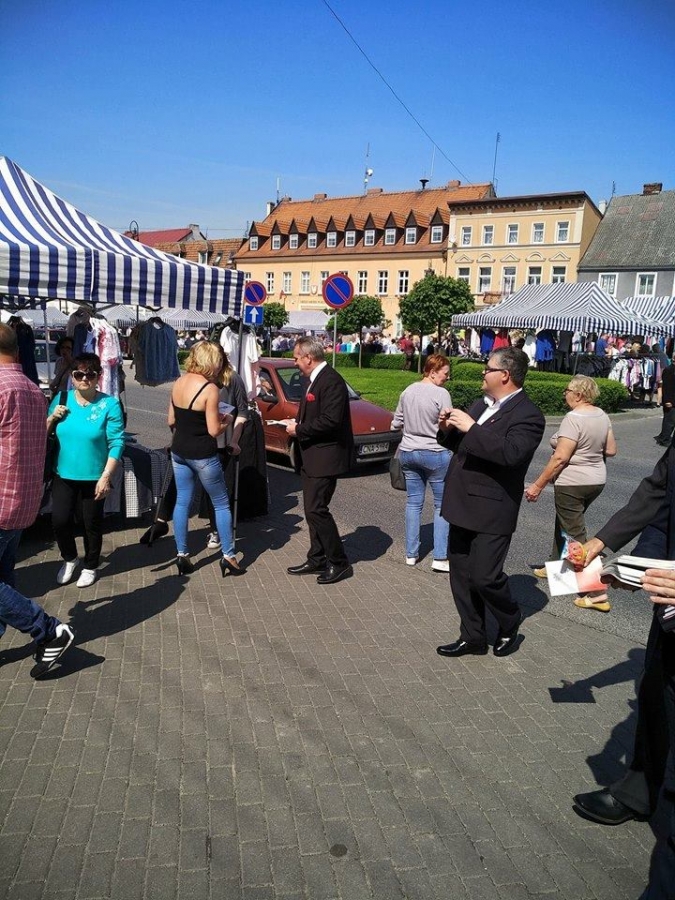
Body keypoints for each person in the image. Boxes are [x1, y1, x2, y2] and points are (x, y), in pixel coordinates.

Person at [570, 450, 675, 898]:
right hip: (669, 611)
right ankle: (639, 792)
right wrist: (632, 564)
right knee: (656, 700)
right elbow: (659, 497)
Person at [435, 347, 545, 658]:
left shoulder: (528, 415)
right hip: (461, 502)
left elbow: (510, 454)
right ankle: (472, 635)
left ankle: (509, 620)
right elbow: (462, 445)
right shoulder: (480, 404)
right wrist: (447, 429)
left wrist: (471, 427)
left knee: (485, 576)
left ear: (505, 375)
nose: (483, 373)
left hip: (493, 509)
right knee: (460, 576)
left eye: (488, 369)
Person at [0, 324, 75, 678]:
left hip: (3, 500)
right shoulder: (32, 389)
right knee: (3, 575)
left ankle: (49, 630)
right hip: (22, 499)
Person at [525, 374, 617, 612]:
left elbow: (560, 458)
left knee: (576, 536)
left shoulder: (573, 418)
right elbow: (610, 449)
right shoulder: (602, 414)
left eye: (567, 390)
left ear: (578, 394)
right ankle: (557, 567)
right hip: (597, 480)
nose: (564, 394)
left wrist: (537, 485)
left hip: (572, 483)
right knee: (566, 522)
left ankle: (597, 594)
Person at [47, 352, 125, 589]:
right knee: (60, 521)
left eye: (90, 375)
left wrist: (106, 476)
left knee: (90, 523)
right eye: (78, 374)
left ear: (98, 376)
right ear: (72, 377)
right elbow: (44, 433)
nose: (84, 379)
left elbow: (116, 442)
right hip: (63, 473)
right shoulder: (61, 399)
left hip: (94, 477)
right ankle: (70, 558)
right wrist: (51, 419)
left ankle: (91, 565)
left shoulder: (109, 405)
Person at [168, 341, 243, 577]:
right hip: (203, 454)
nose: (220, 366)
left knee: (182, 502)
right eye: (218, 362)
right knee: (221, 503)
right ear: (211, 362)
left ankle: (182, 554)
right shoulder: (210, 388)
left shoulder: (179, 382)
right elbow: (213, 430)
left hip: (179, 450)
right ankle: (228, 555)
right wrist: (226, 421)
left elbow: (171, 420)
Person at [284, 337, 354, 585]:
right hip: (311, 456)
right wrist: (296, 424)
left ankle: (339, 562)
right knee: (311, 510)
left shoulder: (331, 380)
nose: (294, 362)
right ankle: (317, 558)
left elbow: (331, 421)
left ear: (308, 358)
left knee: (316, 510)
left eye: (296, 358)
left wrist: (299, 429)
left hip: (326, 457)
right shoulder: (313, 379)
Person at [391, 354, 453, 572]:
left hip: (408, 452)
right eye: (445, 373)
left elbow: (395, 423)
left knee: (413, 503)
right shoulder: (442, 394)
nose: (448, 377)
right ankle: (440, 557)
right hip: (435, 453)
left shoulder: (407, 391)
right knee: (441, 505)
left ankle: (411, 554)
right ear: (433, 372)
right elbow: (447, 425)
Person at [204, 351, 249, 550]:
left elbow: (243, 411)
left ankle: (219, 531)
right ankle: (214, 528)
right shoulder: (202, 378)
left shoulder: (233, 379)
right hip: (203, 440)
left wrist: (235, 440)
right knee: (207, 487)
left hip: (224, 441)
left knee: (218, 487)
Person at [654, 355, 675, 447]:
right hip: (670, 400)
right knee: (670, 421)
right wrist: (667, 401)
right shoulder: (669, 370)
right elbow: (666, 387)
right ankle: (664, 440)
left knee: (670, 420)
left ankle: (662, 436)